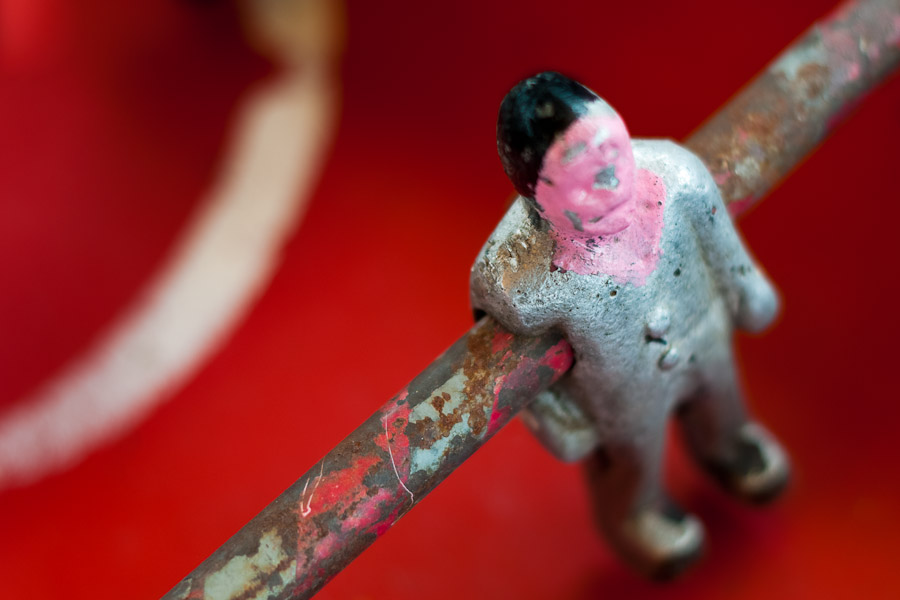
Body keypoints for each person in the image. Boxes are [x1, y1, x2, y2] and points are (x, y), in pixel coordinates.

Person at [470, 72, 790, 578]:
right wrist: (557, 421)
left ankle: (727, 443)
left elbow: (720, 240)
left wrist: (748, 289)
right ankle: (634, 515)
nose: (613, 176)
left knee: (723, 396)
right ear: (537, 195)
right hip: (622, 390)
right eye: (583, 171)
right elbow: (489, 339)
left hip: (704, 331)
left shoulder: (679, 177)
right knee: (632, 458)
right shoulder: (520, 279)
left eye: (613, 146)